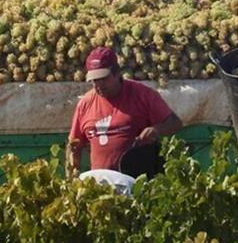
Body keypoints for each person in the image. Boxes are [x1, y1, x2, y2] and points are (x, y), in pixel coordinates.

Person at [66, 47, 183, 177]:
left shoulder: (143, 95)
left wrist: (156, 130)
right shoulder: (86, 103)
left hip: (137, 183)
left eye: (104, 79)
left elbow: (175, 123)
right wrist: (71, 176)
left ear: (117, 73)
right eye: (94, 80)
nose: (99, 85)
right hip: (100, 184)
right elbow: (74, 145)